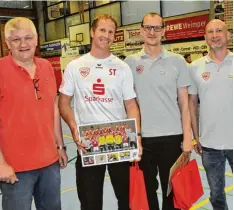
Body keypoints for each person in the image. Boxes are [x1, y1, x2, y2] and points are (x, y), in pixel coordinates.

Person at [58, 14, 142, 210]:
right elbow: (63, 103)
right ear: (92, 32)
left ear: (114, 36)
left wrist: (136, 136)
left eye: (111, 31)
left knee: (126, 199)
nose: (106, 35)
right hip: (88, 143)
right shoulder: (75, 67)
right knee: (90, 202)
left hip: (119, 141)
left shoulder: (122, 68)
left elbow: (131, 105)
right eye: (102, 30)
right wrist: (73, 126)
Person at [124, 12, 193, 210]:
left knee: (171, 191)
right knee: (146, 192)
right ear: (141, 30)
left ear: (164, 31)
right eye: (148, 27)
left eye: (156, 28)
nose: (152, 32)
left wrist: (187, 137)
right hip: (142, 139)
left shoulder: (178, 61)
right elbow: (128, 104)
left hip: (172, 137)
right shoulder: (130, 63)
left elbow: (184, 104)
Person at [0, 17, 67, 210]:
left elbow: (53, 108)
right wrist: (1, 164)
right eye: (16, 39)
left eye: (28, 38)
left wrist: (60, 145)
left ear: (36, 40)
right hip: (15, 167)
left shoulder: (46, 67)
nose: (23, 44)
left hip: (50, 163)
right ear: (7, 44)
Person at [189, 19, 233, 210]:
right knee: (216, 195)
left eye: (219, 31)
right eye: (210, 32)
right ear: (205, 37)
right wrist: (195, 136)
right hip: (210, 145)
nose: (215, 35)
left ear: (228, 35)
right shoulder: (196, 67)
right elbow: (191, 103)